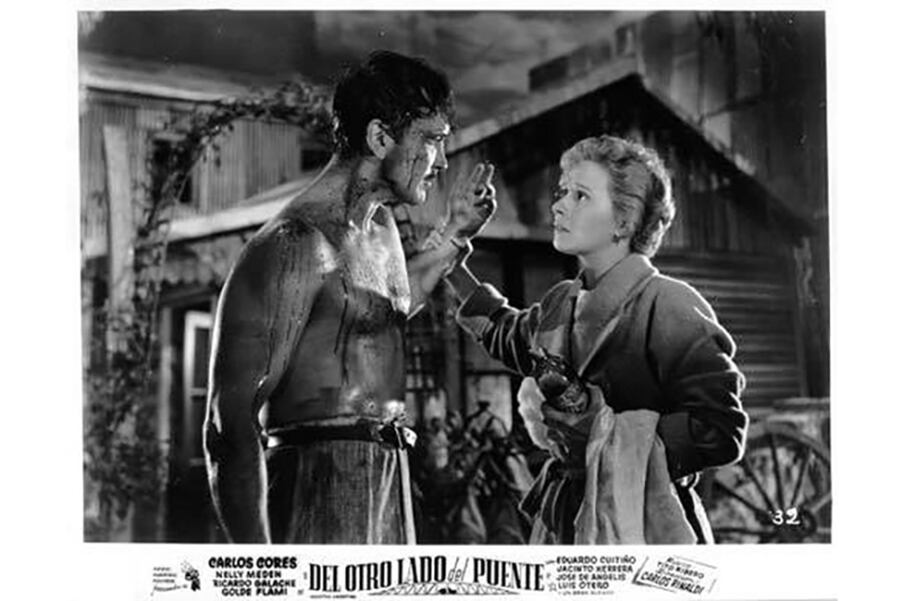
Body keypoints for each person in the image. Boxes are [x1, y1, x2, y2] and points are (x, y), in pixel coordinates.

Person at [203, 50, 495, 544]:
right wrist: (262, 567)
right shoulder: (294, 244)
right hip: (317, 485)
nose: (443, 162)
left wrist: (455, 234)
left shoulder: (380, 228)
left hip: (389, 480)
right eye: (432, 141)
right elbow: (228, 424)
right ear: (380, 137)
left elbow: (380, 313)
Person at [444, 135, 748, 544]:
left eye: (581, 195)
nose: (558, 205)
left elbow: (720, 430)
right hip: (564, 520)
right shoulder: (561, 302)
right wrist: (451, 248)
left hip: (643, 523)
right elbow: (504, 331)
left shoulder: (669, 304)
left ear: (624, 220)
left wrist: (603, 435)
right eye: (562, 192)